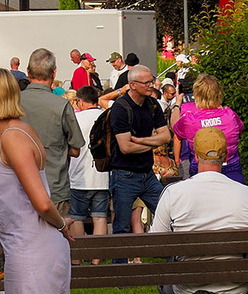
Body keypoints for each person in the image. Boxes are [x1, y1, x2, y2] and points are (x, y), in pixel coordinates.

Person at [0, 67, 74, 294]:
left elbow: (43, 203)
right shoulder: (14, 132)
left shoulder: (13, 137)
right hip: (26, 250)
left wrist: (60, 226)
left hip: (33, 252)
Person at [150, 127, 248, 294]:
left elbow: (156, 245)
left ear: (195, 156)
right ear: (225, 157)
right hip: (235, 290)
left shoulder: (173, 192)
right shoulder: (246, 193)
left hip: (187, 290)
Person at [19, 48, 84, 213]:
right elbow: (76, 149)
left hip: (19, 187)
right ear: (54, 73)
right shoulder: (61, 105)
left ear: (27, 72)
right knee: (55, 236)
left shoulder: (14, 103)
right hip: (53, 187)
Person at [108, 64, 170, 236]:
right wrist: (154, 142)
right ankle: (120, 263)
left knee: (168, 214)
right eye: (147, 83)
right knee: (121, 228)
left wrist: (143, 140)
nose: (151, 85)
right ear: (133, 85)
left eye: (152, 81)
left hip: (147, 173)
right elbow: (125, 147)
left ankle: (173, 258)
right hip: (124, 175)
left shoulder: (152, 104)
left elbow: (166, 136)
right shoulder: (120, 108)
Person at [172, 73, 245, 183]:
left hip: (200, 171)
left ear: (196, 95)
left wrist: (177, 104)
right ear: (219, 93)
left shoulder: (190, 120)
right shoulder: (230, 115)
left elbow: (174, 127)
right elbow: (240, 130)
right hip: (231, 169)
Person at [68, 86, 109, 255]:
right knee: (100, 217)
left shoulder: (76, 119)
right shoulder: (105, 117)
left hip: (79, 175)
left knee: (77, 218)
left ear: (81, 102)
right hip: (103, 175)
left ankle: (79, 256)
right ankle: (97, 258)